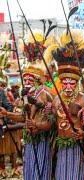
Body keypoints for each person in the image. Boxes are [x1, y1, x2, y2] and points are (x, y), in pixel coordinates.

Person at [0, 31, 55, 180]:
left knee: (41, 173)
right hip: (30, 141)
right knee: (30, 173)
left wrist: (36, 124)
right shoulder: (27, 95)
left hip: (42, 140)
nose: (27, 82)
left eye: (30, 79)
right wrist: (7, 114)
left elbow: (50, 120)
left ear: (38, 80)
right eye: (25, 79)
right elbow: (24, 117)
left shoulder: (45, 93)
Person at [44, 30, 84, 180]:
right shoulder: (56, 99)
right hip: (61, 146)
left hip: (76, 146)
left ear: (76, 83)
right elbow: (52, 122)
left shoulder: (82, 99)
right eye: (64, 82)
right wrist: (49, 111)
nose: (67, 86)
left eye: (71, 82)